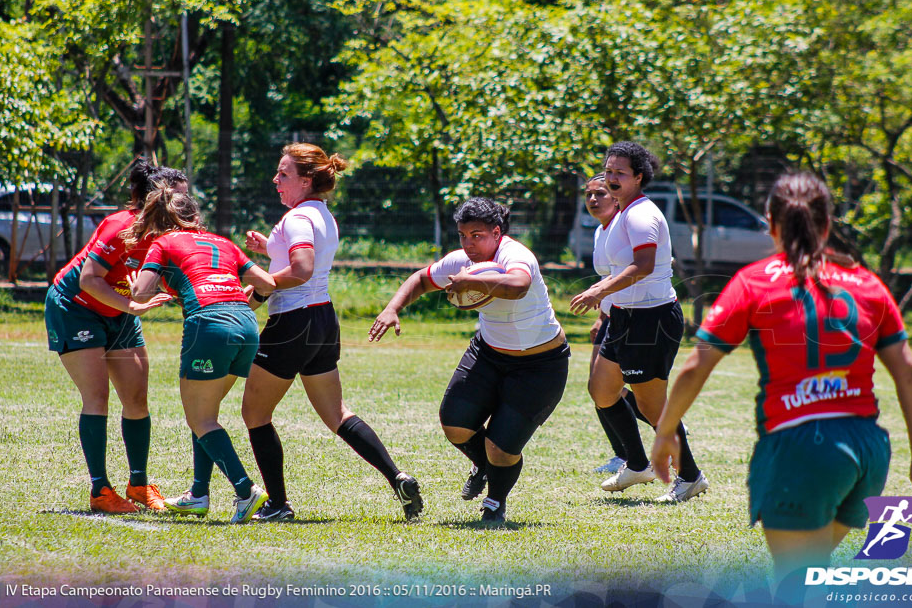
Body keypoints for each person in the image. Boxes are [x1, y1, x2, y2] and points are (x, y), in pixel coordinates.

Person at [650, 172, 912, 586]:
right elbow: (908, 372)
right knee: (812, 570)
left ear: (770, 221)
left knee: (793, 582)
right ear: (827, 224)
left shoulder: (754, 281)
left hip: (799, 448)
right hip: (867, 451)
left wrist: (665, 432)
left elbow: (696, 365)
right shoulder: (867, 283)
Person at [240, 143, 422, 522]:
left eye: (284, 174)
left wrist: (259, 287)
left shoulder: (296, 219)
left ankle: (278, 505)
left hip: (293, 322)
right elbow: (302, 260)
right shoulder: (320, 214)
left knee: (255, 413)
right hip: (322, 320)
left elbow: (301, 268)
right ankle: (397, 477)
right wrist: (268, 249)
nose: (276, 180)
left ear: (306, 180)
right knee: (336, 414)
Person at [370, 197, 570, 525]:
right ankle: (481, 465)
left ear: (496, 232)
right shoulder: (461, 260)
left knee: (501, 449)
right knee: (455, 424)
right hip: (489, 353)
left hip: (540, 364)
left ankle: (495, 502)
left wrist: (474, 281)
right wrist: (393, 308)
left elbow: (519, 285)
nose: (468, 243)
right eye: (462, 235)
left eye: (477, 235)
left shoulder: (515, 255)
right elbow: (421, 279)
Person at [126, 186, 276, 523]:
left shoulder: (162, 243)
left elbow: (141, 290)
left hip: (209, 326)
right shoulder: (223, 242)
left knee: (201, 419)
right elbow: (267, 283)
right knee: (204, 413)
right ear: (195, 214)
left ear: (159, 220)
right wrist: (239, 306)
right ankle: (198, 494)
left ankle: (245, 490)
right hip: (246, 327)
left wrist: (138, 283)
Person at [45, 159, 187, 514]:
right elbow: (89, 279)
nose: (187, 207)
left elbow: (175, 276)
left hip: (121, 310)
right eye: (179, 199)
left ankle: (138, 485)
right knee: (98, 396)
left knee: (137, 396)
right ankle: (100, 491)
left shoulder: (171, 234)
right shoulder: (122, 226)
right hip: (76, 307)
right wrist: (132, 306)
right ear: (157, 199)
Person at [570, 142, 707, 503]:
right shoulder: (621, 215)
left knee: (651, 406)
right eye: (609, 170)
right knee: (602, 389)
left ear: (638, 177)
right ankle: (636, 463)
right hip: (626, 317)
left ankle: (690, 477)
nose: (612, 178)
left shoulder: (640, 215)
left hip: (651, 319)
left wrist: (599, 290)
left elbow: (643, 265)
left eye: (620, 173)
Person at [581, 174, 653, 475]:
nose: (594, 199)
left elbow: (637, 270)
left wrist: (606, 308)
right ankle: (624, 455)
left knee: (612, 388)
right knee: (600, 389)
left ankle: (664, 425)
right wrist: (601, 316)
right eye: (589, 194)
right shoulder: (602, 231)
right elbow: (607, 277)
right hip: (612, 315)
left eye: (601, 193)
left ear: (616, 197)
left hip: (631, 315)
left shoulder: (627, 226)